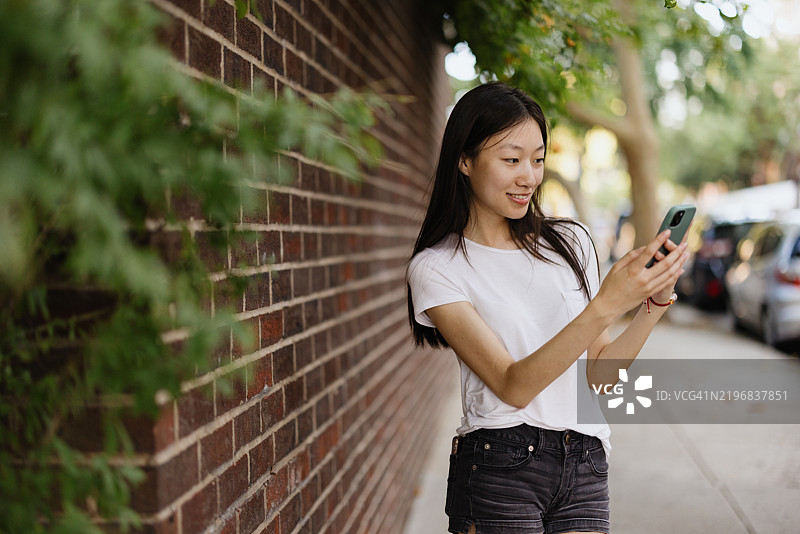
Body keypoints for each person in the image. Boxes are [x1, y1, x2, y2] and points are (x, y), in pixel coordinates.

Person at [405, 82, 689, 534]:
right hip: (501, 465)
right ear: (464, 160)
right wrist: (605, 305)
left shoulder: (570, 241)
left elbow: (599, 375)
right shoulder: (437, 267)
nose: (529, 177)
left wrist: (652, 303)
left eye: (537, 160)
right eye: (511, 160)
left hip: (585, 461)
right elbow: (512, 385)